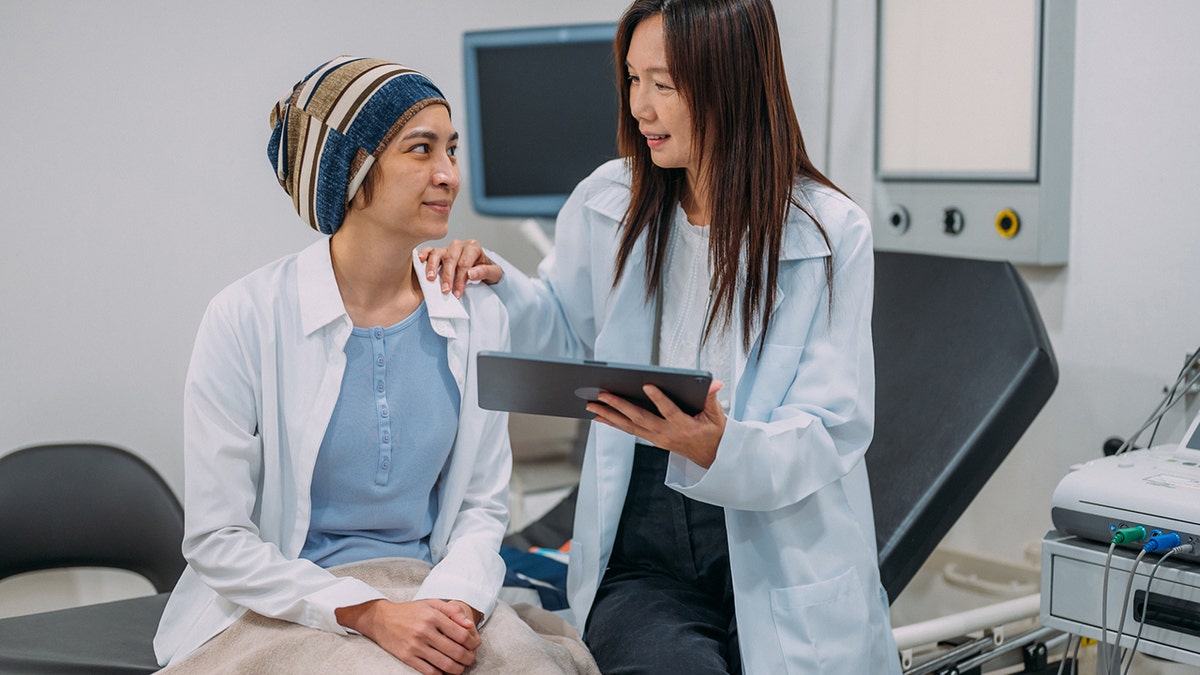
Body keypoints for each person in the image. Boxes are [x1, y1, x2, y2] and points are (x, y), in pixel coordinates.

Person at [420, 0, 903, 672]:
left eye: (663, 85)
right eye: (631, 79)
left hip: (779, 533)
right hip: (643, 526)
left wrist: (721, 444)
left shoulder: (826, 233)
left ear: (729, 84)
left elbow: (834, 425)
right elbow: (563, 328)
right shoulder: (606, 201)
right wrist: (497, 282)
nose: (639, 107)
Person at [153, 56, 513, 675]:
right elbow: (218, 541)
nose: (449, 174)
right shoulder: (245, 316)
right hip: (289, 601)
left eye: (451, 149)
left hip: (431, 587)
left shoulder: (476, 312)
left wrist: (452, 603)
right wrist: (369, 612)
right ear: (350, 168)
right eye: (420, 150)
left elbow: (482, 506)